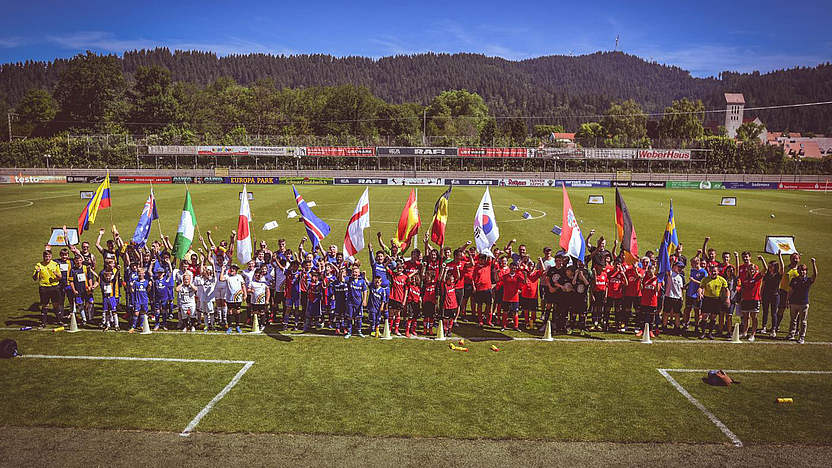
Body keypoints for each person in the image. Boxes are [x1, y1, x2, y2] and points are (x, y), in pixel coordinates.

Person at [786, 258, 817, 344]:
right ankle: (791, 334)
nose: (802, 272)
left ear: (806, 271)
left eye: (803, 270)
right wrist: (787, 300)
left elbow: (815, 275)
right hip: (794, 303)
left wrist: (813, 263)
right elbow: (790, 291)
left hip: (803, 303)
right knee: (793, 320)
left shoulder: (808, 280)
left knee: (803, 321)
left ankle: (801, 337)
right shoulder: (794, 280)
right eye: (800, 270)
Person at [737, 253, 766, 342]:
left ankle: (753, 334)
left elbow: (765, 269)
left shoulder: (758, 277)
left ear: (755, 270)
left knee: (754, 317)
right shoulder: (745, 278)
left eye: (753, 269)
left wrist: (762, 260)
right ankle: (744, 332)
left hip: (755, 300)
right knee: (745, 317)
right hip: (745, 300)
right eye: (750, 269)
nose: (751, 271)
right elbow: (742, 288)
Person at [33, 250, 63, 327]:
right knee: (45, 305)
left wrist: (56, 274)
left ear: (51, 256)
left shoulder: (55, 264)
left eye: (49, 256)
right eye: (46, 256)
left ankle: (59, 321)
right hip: (44, 288)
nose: (47, 258)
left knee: (56, 304)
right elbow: (34, 278)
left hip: (54, 287)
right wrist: (37, 272)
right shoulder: (39, 265)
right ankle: (44, 322)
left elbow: (60, 277)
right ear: (43, 257)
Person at [698, 265, 729, 340]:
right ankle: (703, 333)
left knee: (713, 317)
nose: (713, 273)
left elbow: (726, 290)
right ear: (709, 272)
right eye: (712, 271)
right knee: (705, 316)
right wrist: (700, 293)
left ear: (718, 272)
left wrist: (727, 298)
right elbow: (701, 287)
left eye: (715, 271)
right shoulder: (705, 279)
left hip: (716, 300)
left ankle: (710, 333)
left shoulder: (722, 280)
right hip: (707, 299)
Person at [69, 255, 98, 327]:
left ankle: (90, 318)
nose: (78, 262)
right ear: (74, 261)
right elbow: (71, 281)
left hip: (87, 289)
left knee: (91, 302)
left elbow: (89, 278)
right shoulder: (72, 270)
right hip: (78, 290)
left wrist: (90, 286)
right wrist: (74, 290)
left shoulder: (85, 268)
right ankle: (84, 319)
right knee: (80, 304)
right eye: (77, 261)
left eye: (80, 260)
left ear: (82, 260)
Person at [221, 265, 247, 334]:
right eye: (231, 268)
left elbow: (243, 285)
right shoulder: (227, 276)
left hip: (238, 297)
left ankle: (237, 326)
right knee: (230, 312)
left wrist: (245, 294)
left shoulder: (239, 277)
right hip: (229, 298)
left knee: (237, 311)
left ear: (236, 270)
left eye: (234, 269)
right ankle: (229, 327)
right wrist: (222, 270)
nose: (232, 270)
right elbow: (221, 279)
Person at [635, 264, 659, 338]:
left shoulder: (656, 279)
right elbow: (641, 287)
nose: (650, 271)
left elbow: (657, 290)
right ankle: (641, 330)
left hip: (653, 301)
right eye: (649, 269)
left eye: (652, 269)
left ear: (654, 270)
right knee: (643, 316)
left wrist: (658, 283)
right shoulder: (645, 278)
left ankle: (650, 331)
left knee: (651, 317)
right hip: (644, 301)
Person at [344, 266, 368, 338]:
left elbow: (365, 291)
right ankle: (349, 332)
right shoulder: (349, 279)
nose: (355, 273)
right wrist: (340, 271)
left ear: (359, 273)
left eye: (356, 272)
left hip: (358, 302)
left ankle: (359, 331)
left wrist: (364, 300)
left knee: (359, 317)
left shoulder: (362, 281)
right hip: (350, 303)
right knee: (349, 317)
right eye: (353, 272)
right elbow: (342, 279)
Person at [661, 262, 685, 334]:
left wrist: (681, 297)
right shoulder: (670, 274)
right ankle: (664, 326)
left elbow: (681, 288)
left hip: (677, 297)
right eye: (679, 267)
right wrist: (671, 262)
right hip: (669, 296)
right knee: (666, 312)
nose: (680, 269)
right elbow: (667, 269)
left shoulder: (681, 277)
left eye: (681, 267)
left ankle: (677, 327)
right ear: (674, 267)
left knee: (677, 313)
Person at [760, 259, 782, 336]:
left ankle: (773, 329)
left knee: (774, 313)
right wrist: (760, 295)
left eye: (771, 266)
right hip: (766, 295)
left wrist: (780, 256)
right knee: (765, 312)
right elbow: (763, 285)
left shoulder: (778, 275)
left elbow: (782, 267)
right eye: (769, 266)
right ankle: (764, 327)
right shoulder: (767, 275)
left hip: (775, 295)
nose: (769, 267)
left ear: (775, 267)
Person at [129, 267, 150, 333]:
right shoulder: (135, 282)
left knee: (143, 313)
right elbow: (132, 291)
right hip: (137, 300)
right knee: (136, 313)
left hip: (144, 300)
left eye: (142, 273)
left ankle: (141, 326)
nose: (140, 274)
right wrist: (131, 286)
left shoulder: (146, 282)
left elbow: (148, 291)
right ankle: (133, 327)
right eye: (139, 273)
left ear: (144, 274)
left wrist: (150, 286)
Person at [248, 267, 271, 332]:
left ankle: (262, 324)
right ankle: (254, 324)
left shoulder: (264, 283)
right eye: (256, 275)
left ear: (261, 275)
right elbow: (248, 290)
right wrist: (250, 291)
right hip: (254, 301)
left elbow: (268, 292)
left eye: (259, 275)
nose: (257, 277)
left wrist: (267, 300)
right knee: (254, 313)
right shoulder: (252, 282)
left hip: (261, 301)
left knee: (262, 313)